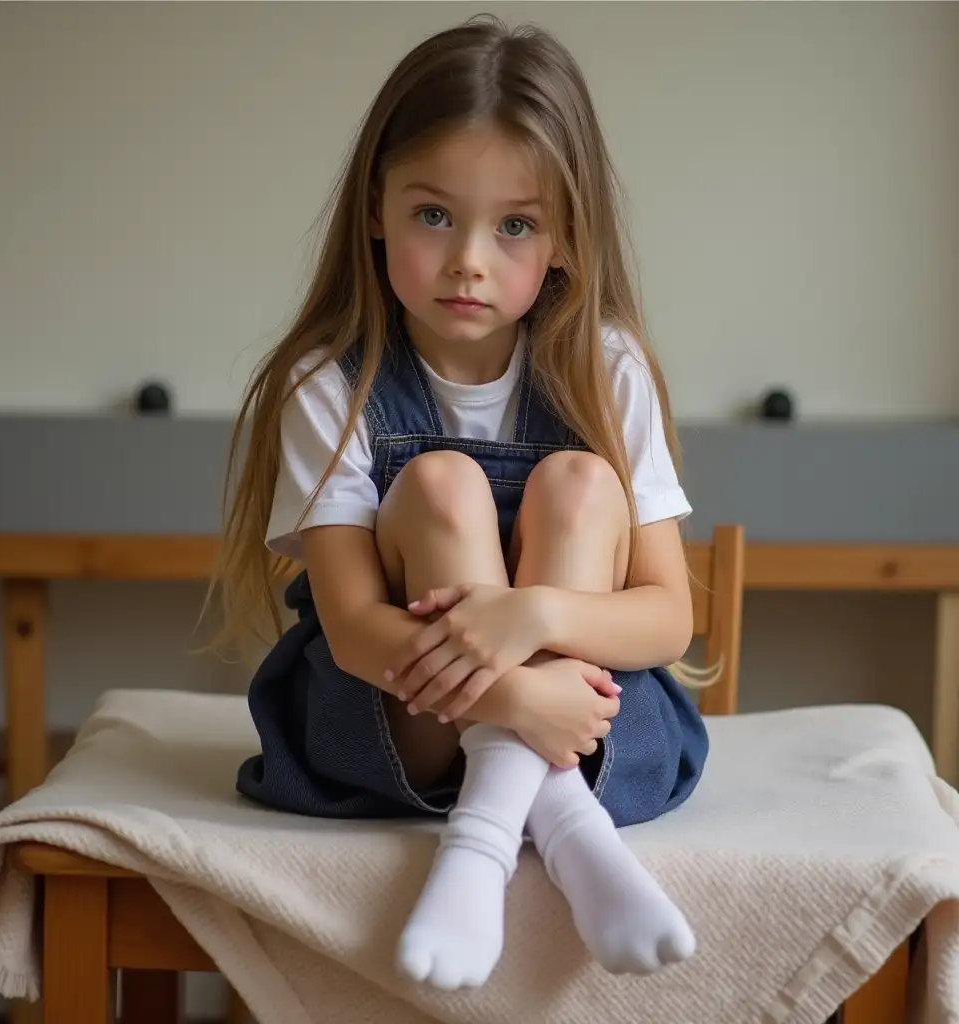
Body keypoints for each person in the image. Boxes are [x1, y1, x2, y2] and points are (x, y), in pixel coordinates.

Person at [213, 16, 709, 992]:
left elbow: (667, 616)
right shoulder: (332, 381)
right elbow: (354, 631)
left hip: (586, 707)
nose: (468, 260)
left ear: (565, 237)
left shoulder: (606, 370)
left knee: (577, 481)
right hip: (402, 714)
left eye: (513, 225)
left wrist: (535, 615)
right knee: (440, 480)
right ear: (376, 208)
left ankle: (485, 831)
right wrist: (519, 693)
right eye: (434, 215)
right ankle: (556, 826)